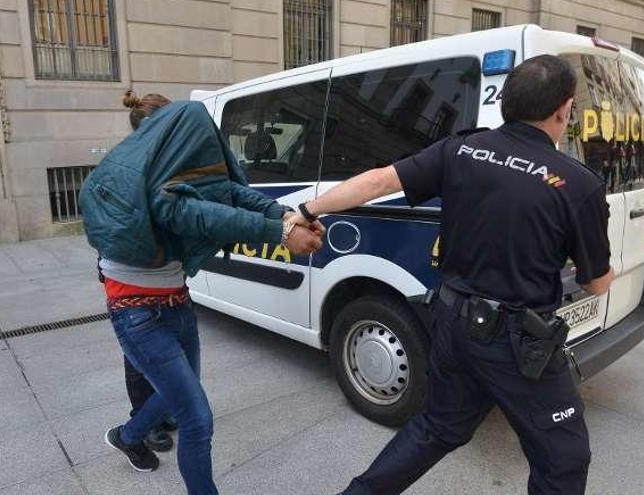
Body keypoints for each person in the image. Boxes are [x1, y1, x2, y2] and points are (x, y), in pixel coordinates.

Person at [288, 55, 614, 494]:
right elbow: (596, 282)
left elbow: (379, 181)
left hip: (452, 323)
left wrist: (306, 210)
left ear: (507, 104)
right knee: (564, 460)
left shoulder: (462, 148)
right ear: (564, 109)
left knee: (439, 427)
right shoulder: (578, 184)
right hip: (517, 346)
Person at [81, 90, 323, 495]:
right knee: (196, 417)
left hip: (176, 302)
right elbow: (195, 213)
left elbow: (227, 193)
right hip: (136, 312)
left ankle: (127, 436)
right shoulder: (149, 178)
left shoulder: (174, 166)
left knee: (179, 393)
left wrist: (285, 215)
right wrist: (279, 232)